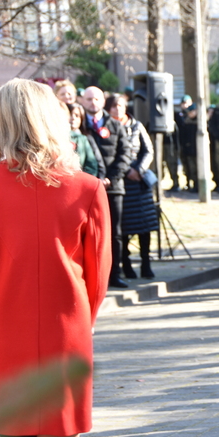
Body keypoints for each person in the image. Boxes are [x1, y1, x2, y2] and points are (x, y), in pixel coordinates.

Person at [0, 78, 111, 437]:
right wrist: (86, 318)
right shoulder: (86, 188)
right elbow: (97, 275)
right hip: (67, 329)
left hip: (5, 330)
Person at [81, 86, 132, 289]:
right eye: (89, 99)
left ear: (103, 102)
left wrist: (111, 178)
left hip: (113, 188)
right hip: (85, 189)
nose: (93, 102)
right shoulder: (79, 124)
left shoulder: (116, 126)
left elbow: (125, 154)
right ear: (83, 101)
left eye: (96, 99)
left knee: (115, 232)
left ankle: (115, 274)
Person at [105, 93, 158, 281]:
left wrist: (140, 169)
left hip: (139, 181)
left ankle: (146, 263)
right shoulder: (107, 128)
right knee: (124, 227)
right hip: (122, 181)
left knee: (146, 224)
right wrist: (127, 171)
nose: (116, 109)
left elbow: (148, 151)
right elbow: (114, 153)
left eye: (120, 105)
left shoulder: (136, 126)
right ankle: (126, 265)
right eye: (112, 106)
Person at [68, 102, 104, 178]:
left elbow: (92, 165)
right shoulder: (55, 137)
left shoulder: (85, 138)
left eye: (77, 116)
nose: (73, 118)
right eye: (69, 114)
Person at [179, 103, 199, 193]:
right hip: (188, 149)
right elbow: (183, 136)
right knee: (189, 168)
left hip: (197, 150)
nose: (191, 114)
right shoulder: (186, 122)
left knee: (196, 168)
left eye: (192, 112)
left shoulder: (199, 123)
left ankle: (197, 185)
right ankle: (191, 184)